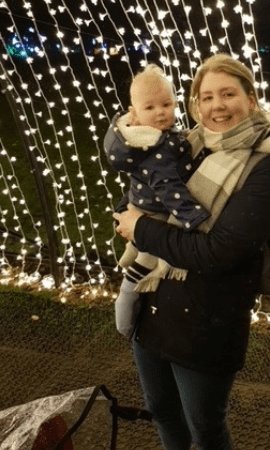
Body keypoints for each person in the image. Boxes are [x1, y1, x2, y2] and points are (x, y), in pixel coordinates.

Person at [113, 53, 270, 450]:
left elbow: (218, 252)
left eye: (228, 94)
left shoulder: (269, 169)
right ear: (195, 104)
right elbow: (143, 191)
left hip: (206, 326)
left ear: (251, 100)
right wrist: (127, 213)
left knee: (205, 429)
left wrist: (140, 228)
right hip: (152, 311)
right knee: (163, 411)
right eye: (206, 97)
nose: (216, 105)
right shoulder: (190, 145)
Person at [104, 64, 210, 337]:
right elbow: (168, 188)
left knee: (137, 249)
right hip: (153, 213)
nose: (161, 112)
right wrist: (194, 218)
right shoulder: (156, 151)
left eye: (166, 103)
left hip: (140, 205)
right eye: (150, 108)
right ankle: (125, 320)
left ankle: (132, 250)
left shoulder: (154, 139)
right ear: (134, 114)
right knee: (143, 267)